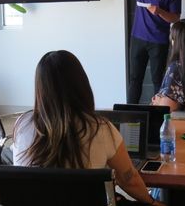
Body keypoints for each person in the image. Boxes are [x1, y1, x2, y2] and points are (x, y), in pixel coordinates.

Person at [13, 50, 165, 206]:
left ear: (39, 88)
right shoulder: (100, 129)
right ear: (81, 84)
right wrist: (152, 202)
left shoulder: (21, 124)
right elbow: (129, 179)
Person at [88, 0, 182, 104]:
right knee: (134, 78)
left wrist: (159, 11)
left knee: (158, 80)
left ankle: (158, 117)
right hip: (138, 38)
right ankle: (130, 113)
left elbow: (175, 18)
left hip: (158, 42)